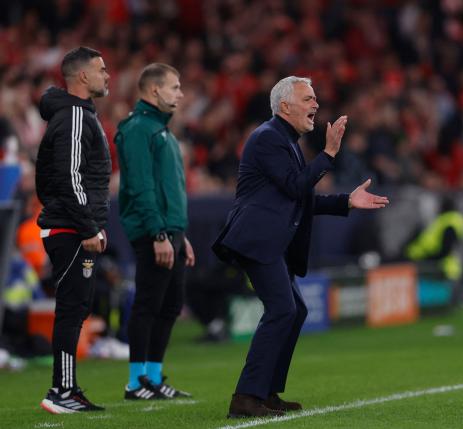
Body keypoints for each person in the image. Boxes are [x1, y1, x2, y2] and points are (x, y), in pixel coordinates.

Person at [213, 76, 389, 418]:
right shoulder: (268, 138)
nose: (316, 105)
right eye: (308, 99)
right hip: (257, 239)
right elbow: (297, 188)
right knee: (283, 309)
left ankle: (266, 393)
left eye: (315, 98)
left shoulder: (287, 140)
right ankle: (246, 397)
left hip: (269, 241)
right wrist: (329, 154)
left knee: (294, 310)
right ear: (284, 106)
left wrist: (346, 202)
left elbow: (301, 197)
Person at [36, 46, 111, 414]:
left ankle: (67, 388)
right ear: (82, 76)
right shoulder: (75, 115)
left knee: (76, 307)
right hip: (70, 229)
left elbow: (57, 178)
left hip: (71, 225)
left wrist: (91, 223)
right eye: (101, 69)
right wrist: (87, 225)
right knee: (71, 309)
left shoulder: (73, 115)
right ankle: (61, 391)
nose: (107, 75)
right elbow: (70, 177)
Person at [115, 63, 195, 400]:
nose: (180, 94)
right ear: (153, 91)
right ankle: (136, 382)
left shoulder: (161, 130)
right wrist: (159, 234)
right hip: (154, 232)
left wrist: (180, 234)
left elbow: (167, 189)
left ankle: (153, 376)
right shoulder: (137, 129)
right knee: (149, 303)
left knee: (170, 304)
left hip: (170, 230)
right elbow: (141, 187)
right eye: (174, 87)